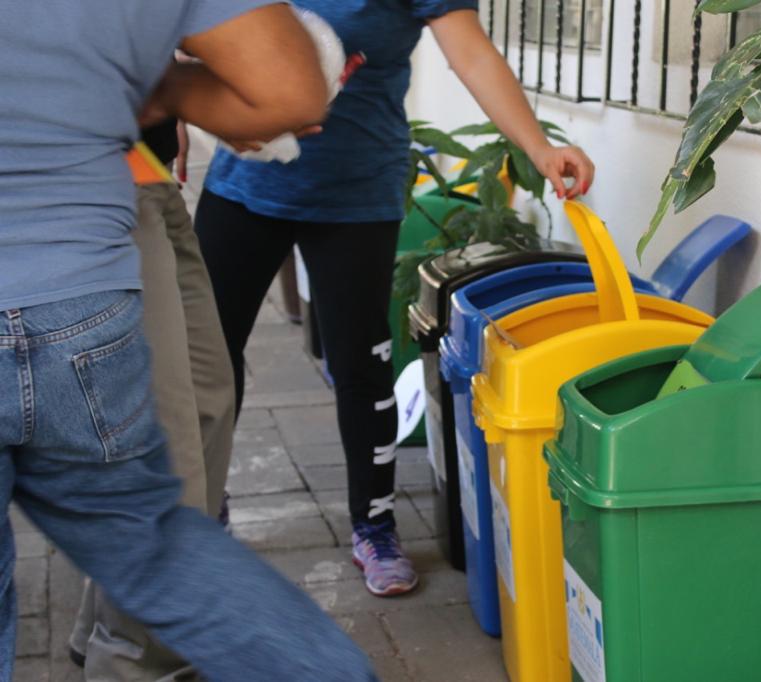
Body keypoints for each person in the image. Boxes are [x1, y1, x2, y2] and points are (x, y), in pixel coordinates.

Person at [0, 2, 377, 680]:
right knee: (154, 524)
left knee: (195, 423)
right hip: (79, 246)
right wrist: (170, 84)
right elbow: (288, 88)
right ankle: (133, 657)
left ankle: (113, 638)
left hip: (126, 197)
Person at [193, 0, 596, 598]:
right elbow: (194, 31)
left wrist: (537, 148)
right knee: (207, 362)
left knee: (361, 365)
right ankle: (202, 510)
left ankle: (374, 524)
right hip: (244, 186)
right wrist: (166, 105)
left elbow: (473, 55)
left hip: (356, 197)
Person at [67, 116, 239, 680]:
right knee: (167, 450)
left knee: (211, 401)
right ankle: (139, 663)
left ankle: (105, 625)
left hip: (149, 167)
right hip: (93, 180)